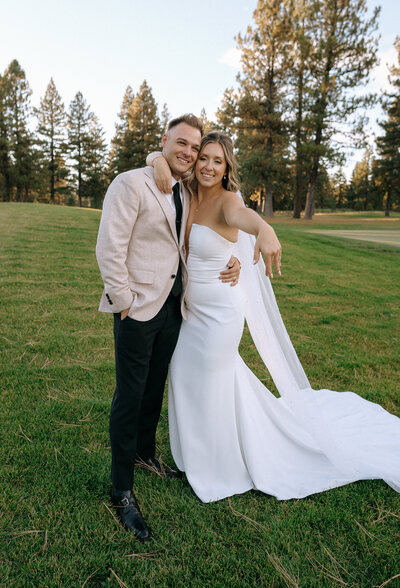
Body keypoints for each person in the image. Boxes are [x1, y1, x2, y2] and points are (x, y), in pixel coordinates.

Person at [147, 131, 400, 504]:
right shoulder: (185, 191)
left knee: (212, 380)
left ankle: (220, 467)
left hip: (220, 314)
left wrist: (264, 229)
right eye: (204, 158)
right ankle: (194, 456)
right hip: (189, 311)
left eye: (218, 161)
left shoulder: (228, 200)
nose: (209, 166)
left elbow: (243, 217)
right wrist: (156, 159)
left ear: (226, 167)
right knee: (186, 377)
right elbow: (162, 156)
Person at [95, 115, 247, 541]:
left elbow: (222, 223)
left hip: (174, 310)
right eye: (181, 144)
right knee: (129, 395)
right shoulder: (130, 183)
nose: (188, 153)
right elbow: (110, 248)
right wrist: (124, 302)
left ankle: (146, 455)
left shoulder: (185, 186)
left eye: (194, 148)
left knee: (154, 388)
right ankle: (122, 490)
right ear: (164, 140)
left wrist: (231, 256)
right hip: (137, 310)